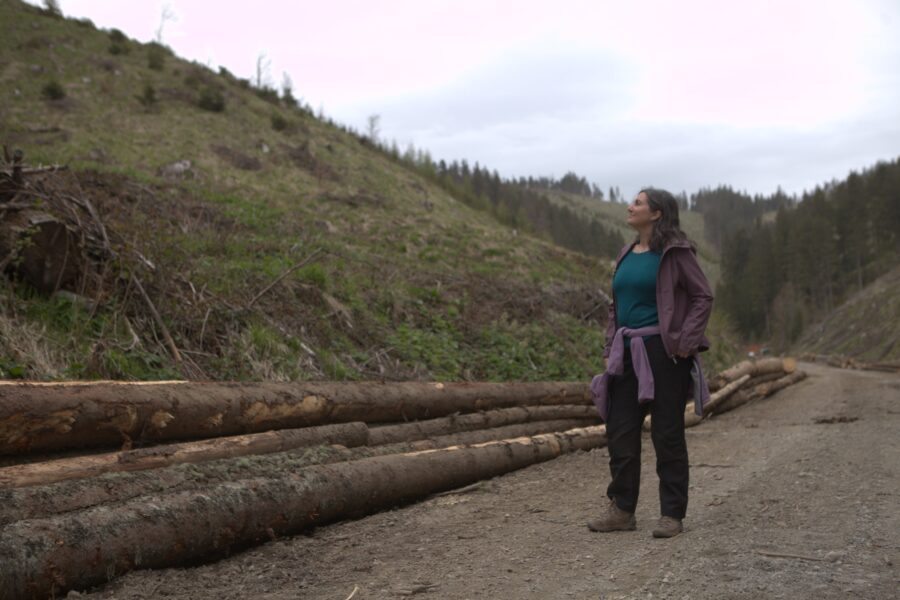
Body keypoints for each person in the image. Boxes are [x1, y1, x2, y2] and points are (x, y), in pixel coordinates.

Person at [586, 187, 713, 538]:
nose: (630, 206)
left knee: (666, 432)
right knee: (620, 428)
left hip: (664, 352)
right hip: (626, 352)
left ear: (656, 213)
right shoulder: (626, 253)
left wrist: (686, 343)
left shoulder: (675, 253)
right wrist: (611, 344)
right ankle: (622, 510)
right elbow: (616, 305)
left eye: (638, 203)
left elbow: (703, 295)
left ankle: (672, 514)